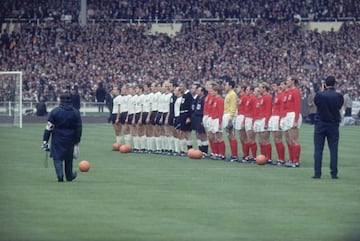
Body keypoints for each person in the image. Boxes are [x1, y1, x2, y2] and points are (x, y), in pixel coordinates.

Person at [41, 92, 82, 182]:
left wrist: (45, 141)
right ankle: (69, 176)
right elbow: (79, 127)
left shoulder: (55, 111)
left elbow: (49, 127)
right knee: (69, 158)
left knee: (57, 157)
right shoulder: (75, 112)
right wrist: (77, 140)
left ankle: (60, 175)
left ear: (60, 99)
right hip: (71, 137)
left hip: (58, 137)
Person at [313, 76, 344, 179]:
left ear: (325, 84)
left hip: (320, 124)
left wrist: (322, 91)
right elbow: (339, 107)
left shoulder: (320, 95)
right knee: (334, 150)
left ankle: (317, 173)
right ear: (334, 84)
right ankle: (334, 173)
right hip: (333, 125)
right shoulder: (339, 96)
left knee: (318, 150)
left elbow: (316, 103)